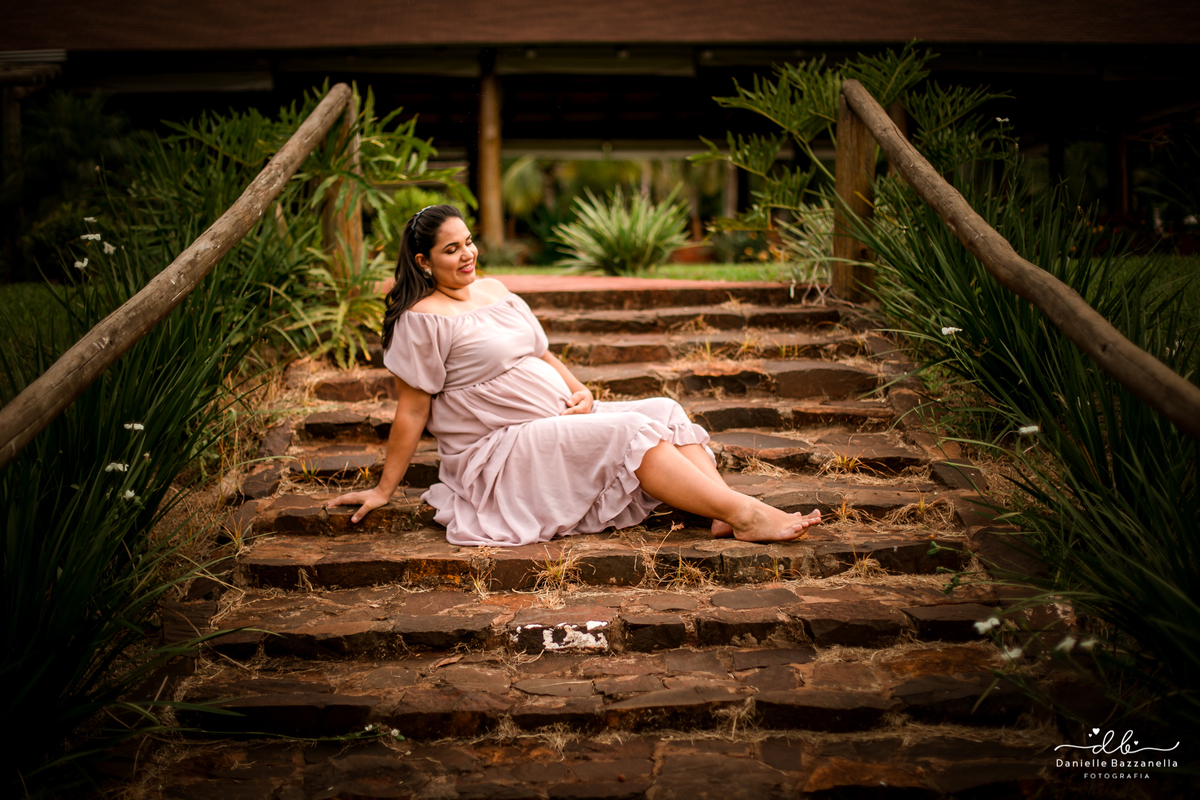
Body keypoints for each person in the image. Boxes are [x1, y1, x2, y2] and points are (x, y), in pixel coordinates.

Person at [327, 205, 821, 546]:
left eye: (469, 242)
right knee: (634, 431)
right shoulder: (421, 319)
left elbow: (541, 353)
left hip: (556, 419)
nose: (468, 254)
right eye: (451, 249)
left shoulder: (494, 290)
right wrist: (383, 490)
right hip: (501, 447)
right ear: (424, 261)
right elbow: (412, 410)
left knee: (664, 410)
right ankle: (743, 514)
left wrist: (579, 388)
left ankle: (720, 514)